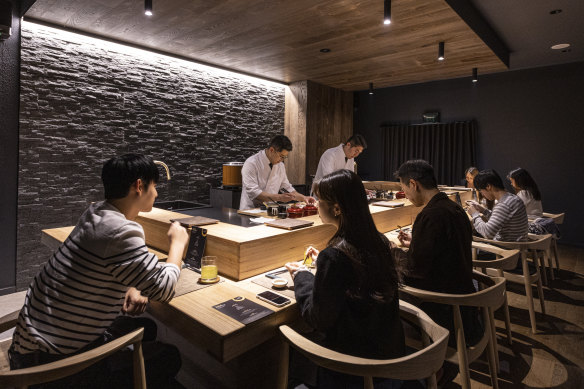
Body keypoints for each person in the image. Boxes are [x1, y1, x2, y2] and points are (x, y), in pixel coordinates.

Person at [10, 153, 189, 388]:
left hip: (31, 342)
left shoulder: (96, 213)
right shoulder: (120, 232)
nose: (156, 193)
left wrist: (132, 283)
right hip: (52, 367)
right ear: (139, 186)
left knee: (148, 327)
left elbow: (110, 262)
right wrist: (177, 244)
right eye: (154, 186)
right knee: (169, 357)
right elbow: (163, 289)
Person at [286, 169, 404, 389]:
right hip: (389, 363)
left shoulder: (335, 257)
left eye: (320, 200)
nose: (317, 205)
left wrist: (301, 276)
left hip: (352, 371)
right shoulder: (379, 242)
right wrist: (323, 262)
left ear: (337, 208)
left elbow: (317, 318)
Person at [392, 160, 483, 386]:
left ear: (414, 184)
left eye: (404, 189)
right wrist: (417, 241)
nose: (406, 196)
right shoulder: (454, 208)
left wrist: (392, 252)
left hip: (442, 305)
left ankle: (407, 367)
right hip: (462, 296)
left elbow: (415, 270)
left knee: (381, 293)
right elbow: (443, 249)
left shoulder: (430, 216)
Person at [240, 134, 314, 210]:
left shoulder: (280, 166)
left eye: (285, 157)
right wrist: (279, 198)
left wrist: (304, 198)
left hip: (270, 211)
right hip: (250, 211)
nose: (282, 160)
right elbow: (254, 193)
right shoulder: (251, 163)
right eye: (281, 156)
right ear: (272, 150)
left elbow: (287, 187)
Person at [468, 169, 528, 242]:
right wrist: (483, 210)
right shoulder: (512, 198)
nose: (482, 195)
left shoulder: (503, 205)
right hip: (517, 244)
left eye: (481, 191)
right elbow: (499, 220)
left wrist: (474, 214)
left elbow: (487, 233)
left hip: (507, 248)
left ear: (488, 186)